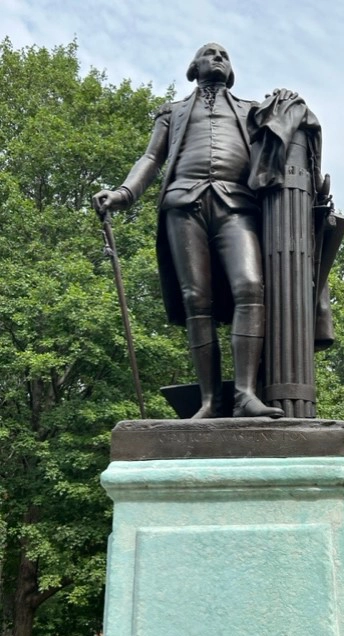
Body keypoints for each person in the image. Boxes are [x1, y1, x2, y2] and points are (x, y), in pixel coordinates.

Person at [93, 43, 297, 419]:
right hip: (183, 204)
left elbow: (283, 129)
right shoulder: (172, 112)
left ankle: (244, 395)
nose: (218, 57)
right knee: (195, 300)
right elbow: (152, 157)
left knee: (250, 287)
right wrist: (124, 193)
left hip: (235, 203)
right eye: (210, 53)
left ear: (231, 71)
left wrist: (285, 103)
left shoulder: (250, 111)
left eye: (224, 55)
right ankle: (208, 401)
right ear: (193, 67)